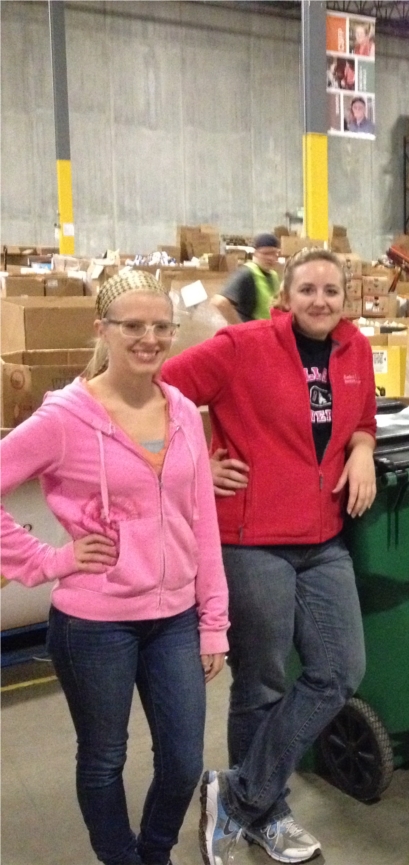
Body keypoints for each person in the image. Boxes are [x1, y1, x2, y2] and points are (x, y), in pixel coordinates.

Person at [0, 271, 229, 865]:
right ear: (102, 329)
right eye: (132, 325)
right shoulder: (65, 418)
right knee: (104, 757)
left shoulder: (180, 409)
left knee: (182, 761)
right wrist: (47, 560)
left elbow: (202, 518)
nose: (148, 338)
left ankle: (153, 853)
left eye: (160, 326)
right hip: (93, 625)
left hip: (176, 617)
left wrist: (214, 622)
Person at [163, 249, 377, 865]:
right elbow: (159, 391)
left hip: (324, 538)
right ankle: (269, 809)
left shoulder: (355, 348)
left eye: (332, 290)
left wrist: (362, 447)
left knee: (339, 670)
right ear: (284, 296)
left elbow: (361, 416)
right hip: (253, 540)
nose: (321, 300)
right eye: (307, 289)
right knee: (261, 680)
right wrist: (200, 460)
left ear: (345, 297)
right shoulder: (242, 345)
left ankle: (238, 795)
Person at [211, 233, 281, 325]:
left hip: (265, 332)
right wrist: (241, 329)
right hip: (251, 334)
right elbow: (220, 302)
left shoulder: (273, 275)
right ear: (255, 253)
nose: (271, 258)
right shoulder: (246, 273)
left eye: (274, 253)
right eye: (266, 253)